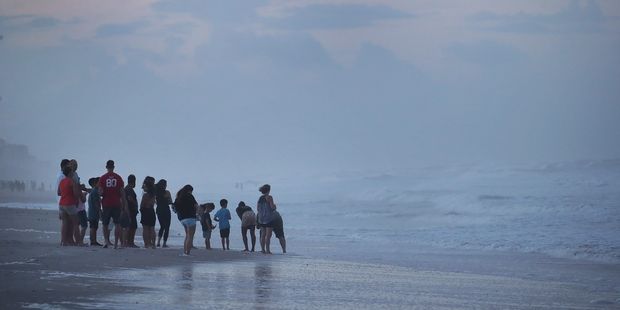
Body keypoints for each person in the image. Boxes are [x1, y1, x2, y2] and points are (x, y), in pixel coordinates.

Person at [98, 160, 127, 249]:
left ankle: (106, 242)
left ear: (106, 167)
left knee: (105, 224)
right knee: (117, 223)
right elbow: (122, 193)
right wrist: (124, 205)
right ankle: (115, 244)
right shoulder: (118, 178)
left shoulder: (102, 178)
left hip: (106, 203)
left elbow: (100, 192)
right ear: (113, 167)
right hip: (116, 203)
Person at [58, 164, 81, 246]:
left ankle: (63, 241)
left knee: (64, 222)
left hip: (62, 203)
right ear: (70, 172)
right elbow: (76, 194)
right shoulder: (72, 181)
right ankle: (79, 242)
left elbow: (59, 192)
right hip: (70, 203)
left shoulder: (62, 181)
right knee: (76, 223)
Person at [174, 185, 198, 256]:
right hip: (190, 217)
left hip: (182, 219)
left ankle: (185, 252)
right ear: (190, 190)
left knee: (187, 235)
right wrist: (198, 214)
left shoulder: (178, 197)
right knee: (190, 236)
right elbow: (196, 206)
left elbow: (174, 208)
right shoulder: (190, 196)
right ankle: (188, 252)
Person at [257, 184, 276, 254]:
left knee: (263, 235)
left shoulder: (260, 198)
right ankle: (268, 250)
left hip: (261, 218)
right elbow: (272, 207)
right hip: (268, 219)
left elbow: (257, 209)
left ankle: (263, 249)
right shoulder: (269, 197)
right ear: (268, 190)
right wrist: (275, 206)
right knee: (268, 235)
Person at [140, 176, 157, 249]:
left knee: (145, 228)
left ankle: (146, 244)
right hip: (151, 211)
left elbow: (142, 204)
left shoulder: (145, 195)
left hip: (146, 210)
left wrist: (141, 209)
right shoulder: (153, 195)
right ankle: (153, 244)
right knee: (152, 228)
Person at [155, 179, 173, 248]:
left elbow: (155, 202)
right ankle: (164, 243)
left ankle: (158, 242)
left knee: (162, 226)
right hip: (166, 210)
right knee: (167, 227)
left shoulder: (156, 193)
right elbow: (170, 202)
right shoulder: (167, 192)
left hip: (159, 210)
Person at [124, 175, 139, 248]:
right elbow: (129, 198)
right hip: (130, 210)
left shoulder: (127, 188)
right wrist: (135, 203)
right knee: (131, 227)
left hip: (130, 210)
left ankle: (129, 242)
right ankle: (129, 242)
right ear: (134, 181)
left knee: (131, 227)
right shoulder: (129, 189)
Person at [87, 177, 103, 246]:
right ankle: (93, 241)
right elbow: (96, 203)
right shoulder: (95, 192)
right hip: (93, 212)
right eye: (99, 183)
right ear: (96, 183)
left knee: (93, 227)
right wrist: (100, 211)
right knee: (93, 227)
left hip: (92, 212)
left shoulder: (94, 191)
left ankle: (93, 241)